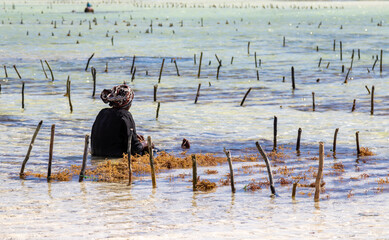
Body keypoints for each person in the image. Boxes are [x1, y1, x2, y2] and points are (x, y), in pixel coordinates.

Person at [91, 84, 148, 157]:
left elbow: (111, 135)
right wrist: (146, 143)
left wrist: (133, 136)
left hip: (97, 155)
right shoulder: (125, 115)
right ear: (128, 102)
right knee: (152, 150)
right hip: (114, 157)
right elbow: (135, 148)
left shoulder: (102, 113)